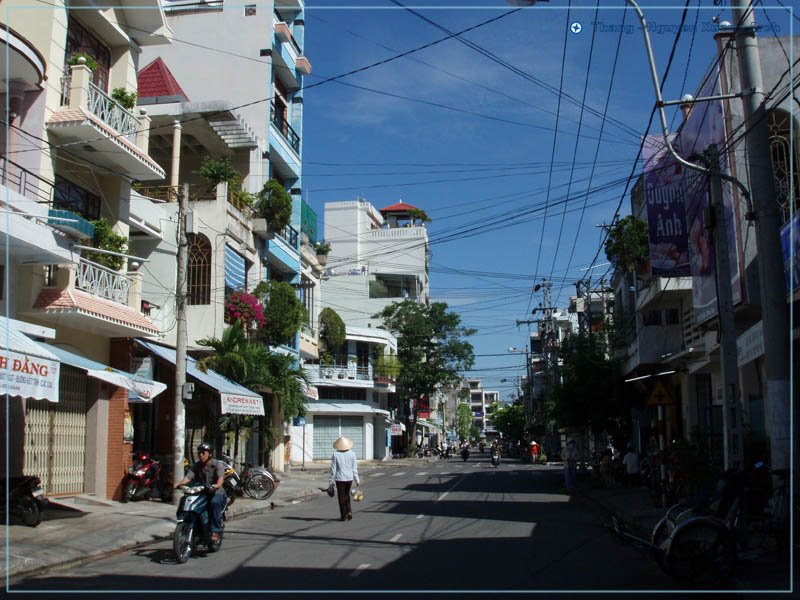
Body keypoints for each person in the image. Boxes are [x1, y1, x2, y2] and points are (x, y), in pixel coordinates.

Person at [175, 442, 226, 543]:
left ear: (210, 454)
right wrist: (178, 484)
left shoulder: (217, 464)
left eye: (203, 453)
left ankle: (215, 530)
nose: (201, 455)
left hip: (216, 492)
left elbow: (221, 478)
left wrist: (217, 485)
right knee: (186, 500)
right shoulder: (196, 466)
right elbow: (188, 478)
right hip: (201, 492)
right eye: (199, 453)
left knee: (214, 503)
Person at [329, 436, 360, 521]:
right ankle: (349, 512)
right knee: (347, 496)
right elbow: (354, 468)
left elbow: (333, 469)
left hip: (339, 478)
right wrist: (357, 479)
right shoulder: (352, 454)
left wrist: (331, 480)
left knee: (341, 497)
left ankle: (343, 516)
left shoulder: (335, 454)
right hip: (349, 478)